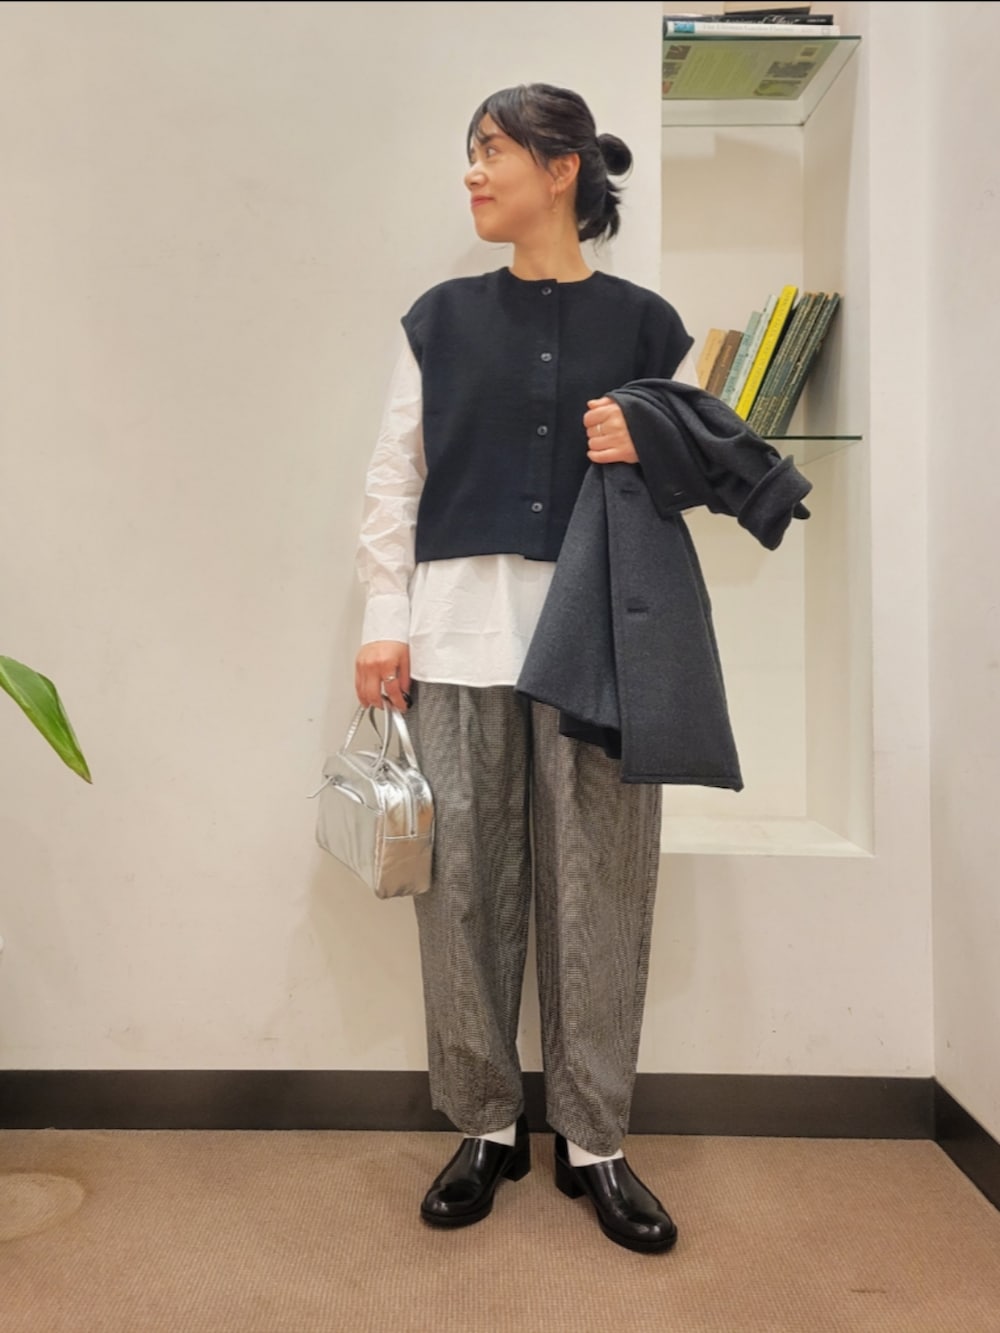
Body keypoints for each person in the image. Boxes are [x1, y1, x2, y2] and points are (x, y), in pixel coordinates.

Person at [354, 83, 701, 1255]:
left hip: (600, 641)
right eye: (470, 152)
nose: (472, 171)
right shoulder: (439, 319)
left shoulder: (649, 326)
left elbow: (699, 478)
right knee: (464, 893)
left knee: (601, 890)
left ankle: (593, 1140)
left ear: (560, 169)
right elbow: (394, 477)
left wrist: (650, 440)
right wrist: (382, 621)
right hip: (456, 639)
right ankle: (486, 1125)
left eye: (491, 150)